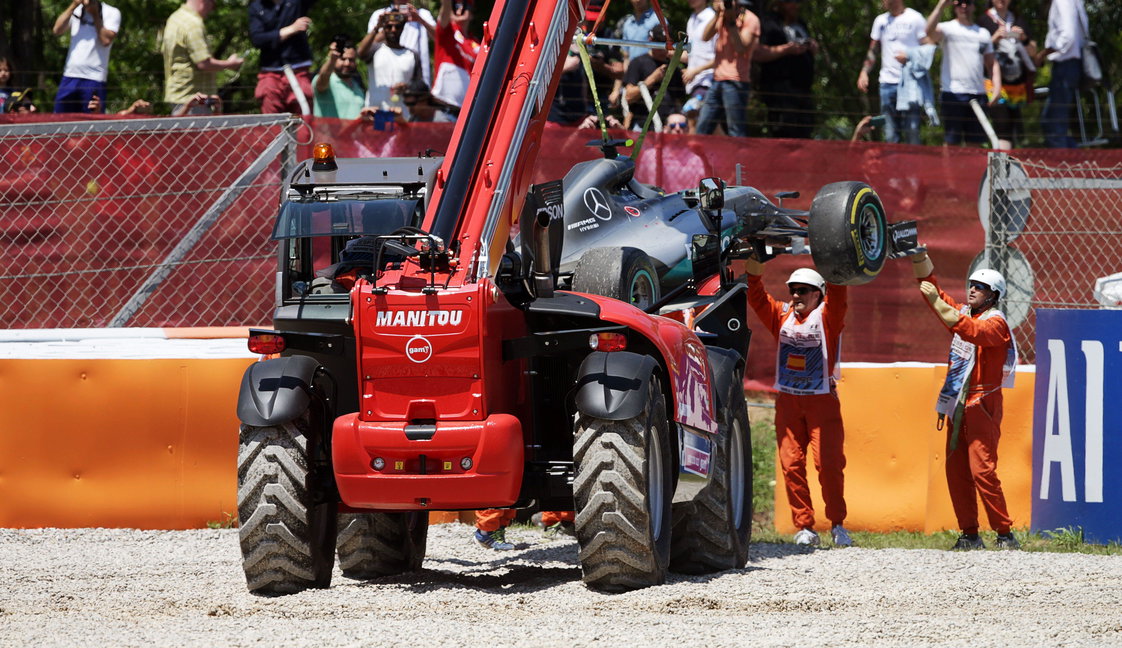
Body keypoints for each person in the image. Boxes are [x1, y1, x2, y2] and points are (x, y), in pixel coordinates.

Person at [911, 251, 1020, 550]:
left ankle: (1005, 533)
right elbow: (937, 294)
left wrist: (936, 301)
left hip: (983, 404)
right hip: (959, 402)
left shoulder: (996, 323)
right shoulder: (964, 313)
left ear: (993, 295)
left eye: (979, 287)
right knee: (956, 470)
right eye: (971, 284)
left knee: (982, 470)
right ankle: (970, 534)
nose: (971, 289)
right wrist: (920, 259)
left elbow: (971, 331)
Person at [744, 257, 852, 547]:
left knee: (828, 465)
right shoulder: (782, 316)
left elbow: (839, 296)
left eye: (803, 290)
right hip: (789, 402)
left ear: (818, 293)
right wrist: (754, 265)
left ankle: (838, 525)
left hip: (821, 403)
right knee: (791, 464)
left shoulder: (828, 317)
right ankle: (805, 527)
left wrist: (835, 257)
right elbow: (756, 298)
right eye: (793, 290)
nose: (796, 296)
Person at [926, 0, 1000, 146]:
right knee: (951, 143)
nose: (964, 6)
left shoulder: (983, 33)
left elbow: (991, 63)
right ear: (954, 6)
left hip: (979, 94)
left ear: (974, 5)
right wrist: (940, 6)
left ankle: (971, 170)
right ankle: (948, 170)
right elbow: (928, 31)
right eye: (959, 2)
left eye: (968, 2)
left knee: (975, 144)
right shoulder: (946, 28)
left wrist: (996, 88)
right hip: (952, 93)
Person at [857, 0, 927, 145]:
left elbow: (928, 49)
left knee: (912, 133)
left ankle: (912, 167)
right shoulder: (880, 21)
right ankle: (892, 167)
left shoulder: (916, 18)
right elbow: (873, 50)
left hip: (911, 84)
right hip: (887, 84)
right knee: (890, 134)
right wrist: (864, 72)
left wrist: (910, 56)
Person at [162, 0, 243, 115]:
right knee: (195, 133)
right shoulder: (193, 24)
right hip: (194, 99)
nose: (212, 10)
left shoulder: (175, 18)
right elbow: (204, 63)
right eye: (213, 4)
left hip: (179, 95)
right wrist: (230, 64)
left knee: (182, 133)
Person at [695, 0, 759, 137]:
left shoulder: (751, 19)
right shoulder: (721, 16)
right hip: (717, 80)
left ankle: (740, 159)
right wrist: (717, 14)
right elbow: (705, 36)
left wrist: (731, 23)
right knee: (702, 129)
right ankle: (701, 158)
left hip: (736, 82)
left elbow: (741, 48)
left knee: (736, 130)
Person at [977, 0, 1036, 149]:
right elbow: (976, 52)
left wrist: (1024, 38)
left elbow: (1033, 51)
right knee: (1002, 129)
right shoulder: (983, 20)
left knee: (1016, 131)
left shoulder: (1018, 19)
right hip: (994, 85)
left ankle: (1012, 164)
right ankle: (1002, 167)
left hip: (1017, 87)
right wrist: (994, 38)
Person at [755, 0, 818, 139]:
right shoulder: (769, 23)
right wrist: (786, 50)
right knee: (784, 131)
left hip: (803, 89)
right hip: (780, 90)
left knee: (805, 131)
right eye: (790, 3)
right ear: (780, 4)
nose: (795, 6)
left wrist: (811, 47)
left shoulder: (800, 23)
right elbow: (758, 53)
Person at [1035, 0, 1089, 148]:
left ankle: (1063, 166)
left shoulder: (1063, 1)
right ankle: (1074, 161)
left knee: (1053, 123)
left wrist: (1044, 53)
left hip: (1065, 66)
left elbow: (1068, 36)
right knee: (1058, 122)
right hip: (1072, 66)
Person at [51, 0, 121, 113]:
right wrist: (73, 5)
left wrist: (95, 15)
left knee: (92, 124)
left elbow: (106, 40)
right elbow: (57, 30)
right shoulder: (76, 10)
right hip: (70, 76)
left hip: (94, 78)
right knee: (59, 121)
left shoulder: (111, 12)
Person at [248, 0, 316, 115]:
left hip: (298, 69)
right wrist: (291, 29)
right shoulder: (256, 6)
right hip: (270, 71)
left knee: (303, 118)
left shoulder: (296, 3)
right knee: (271, 121)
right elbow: (257, 39)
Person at [358, 9, 422, 113]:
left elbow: (419, 86)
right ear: (384, 29)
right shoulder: (375, 49)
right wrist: (377, 27)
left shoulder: (412, 55)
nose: (393, 30)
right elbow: (360, 53)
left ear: (403, 29)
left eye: (397, 27)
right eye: (389, 26)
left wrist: (406, 87)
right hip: (376, 112)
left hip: (402, 115)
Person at [622, 25, 685, 131]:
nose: (663, 48)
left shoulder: (674, 68)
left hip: (669, 129)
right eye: (659, 42)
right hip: (643, 127)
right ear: (650, 40)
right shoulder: (637, 63)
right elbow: (628, 97)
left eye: (667, 43)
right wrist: (652, 79)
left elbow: (678, 102)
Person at [361, 2, 436, 88]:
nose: (394, 29)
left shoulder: (423, 14)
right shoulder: (380, 14)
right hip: (385, 81)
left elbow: (439, 39)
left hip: (418, 79)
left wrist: (420, 19)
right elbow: (366, 48)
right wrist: (387, 25)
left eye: (399, 27)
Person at [432, 0, 480, 111]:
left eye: (464, 7)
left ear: (472, 14)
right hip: (443, 105)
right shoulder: (447, 30)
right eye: (456, 6)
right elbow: (445, 11)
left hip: (464, 110)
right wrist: (447, 4)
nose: (459, 10)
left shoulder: (476, 44)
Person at [681, 0, 716, 131]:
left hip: (708, 81)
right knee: (707, 126)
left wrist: (694, 71)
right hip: (694, 83)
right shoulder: (692, 19)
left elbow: (720, 56)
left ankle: (692, 152)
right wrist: (672, 54)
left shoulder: (712, 18)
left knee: (692, 118)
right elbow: (691, 55)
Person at [313, 36, 365, 119]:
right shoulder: (328, 80)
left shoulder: (358, 88)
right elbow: (322, 80)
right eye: (342, 59)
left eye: (351, 60)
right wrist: (332, 59)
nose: (347, 63)